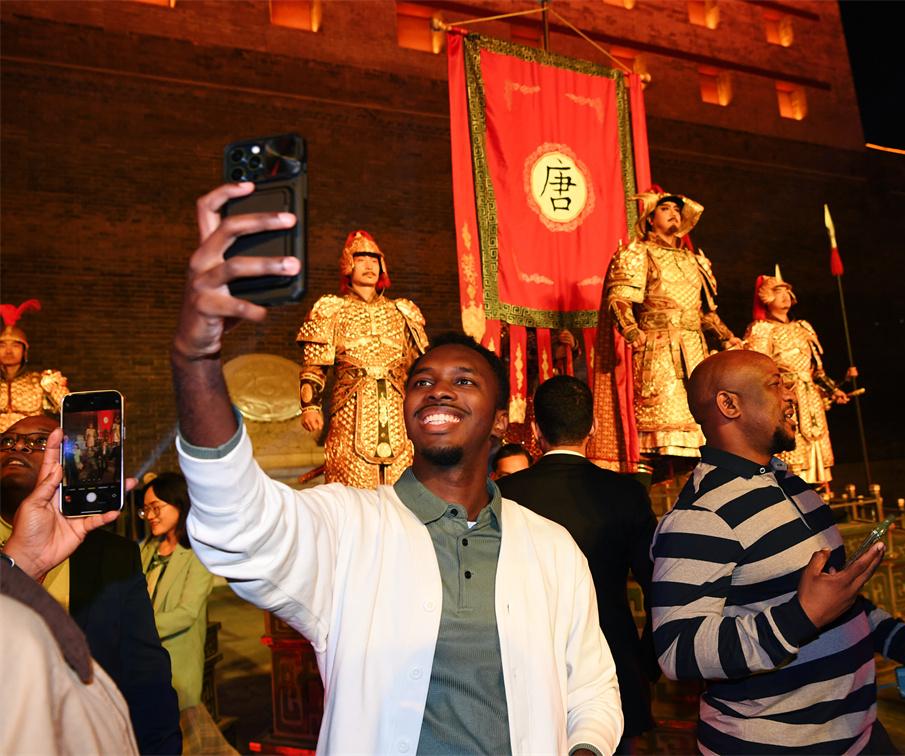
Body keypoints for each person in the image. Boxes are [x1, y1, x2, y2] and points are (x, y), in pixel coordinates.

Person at [169, 181, 622, 754]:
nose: (438, 390)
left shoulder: (551, 548)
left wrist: (586, 747)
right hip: (357, 422)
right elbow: (239, 525)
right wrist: (196, 359)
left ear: (500, 422)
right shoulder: (347, 529)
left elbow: (592, 689)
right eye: (423, 381)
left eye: (464, 381)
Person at [652, 349, 905, 755]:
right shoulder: (701, 515)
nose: (791, 395)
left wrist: (904, 645)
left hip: (859, 735)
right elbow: (677, 651)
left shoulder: (795, 488)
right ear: (729, 404)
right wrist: (801, 616)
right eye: (776, 384)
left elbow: (835, 597)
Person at [497, 375, 659, 750]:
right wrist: (646, 662)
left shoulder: (504, 495)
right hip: (613, 660)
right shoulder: (627, 493)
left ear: (535, 431)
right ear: (593, 427)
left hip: (526, 666)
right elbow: (658, 586)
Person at [0, 417, 177, 754]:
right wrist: (19, 563)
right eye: (6, 441)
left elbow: (146, 678)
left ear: (69, 463)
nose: (18, 446)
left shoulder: (114, 556)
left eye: (40, 442)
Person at [592, 189, 739, 473]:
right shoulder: (638, 253)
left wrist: (727, 337)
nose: (673, 213)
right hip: (659, 350)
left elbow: (705, 314)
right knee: (658, 431)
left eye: (677, 210)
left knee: (703, 430)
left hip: (695, 351)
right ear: (650, 218)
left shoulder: (695, 260)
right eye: (665, 209)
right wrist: (631, 329)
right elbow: (619, 298)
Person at [297, 229, 428, 488]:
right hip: (351, 407)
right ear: (348, 264)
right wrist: (310, 407)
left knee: (402, 484)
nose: (369, 265)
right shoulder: (331, 309)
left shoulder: (402, 311)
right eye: (361, 259)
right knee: (352, 482)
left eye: (374, 260)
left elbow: (421, 368)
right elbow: (314, 365)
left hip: (397, 408)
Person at [744, 266, 853, 485]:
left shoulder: (803, 327)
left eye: (787, 292)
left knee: (816, 444)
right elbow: (757, 369)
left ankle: (816, 492)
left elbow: (817, 370)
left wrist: (833, 390)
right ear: (767, 297)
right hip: (783, 394)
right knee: (791, 447)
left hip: (810, 396)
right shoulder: (762, 329)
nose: (785, 297)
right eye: (778, 292)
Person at [139, 473, 216, 727]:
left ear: (179, 504)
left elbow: (187, 612)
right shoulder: (146, 549)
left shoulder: (198, 553)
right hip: (141, 662)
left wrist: (138, 629)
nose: (150, 516)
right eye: (146, 510)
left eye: (156, 507)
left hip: (175, 665)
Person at [0, 299, 68, 432]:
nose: (8, 351)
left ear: (24, 351)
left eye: (15, 346)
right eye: (2, 346)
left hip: (29, 441)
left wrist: (52, 388)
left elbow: (70, 409)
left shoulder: (40, 381)